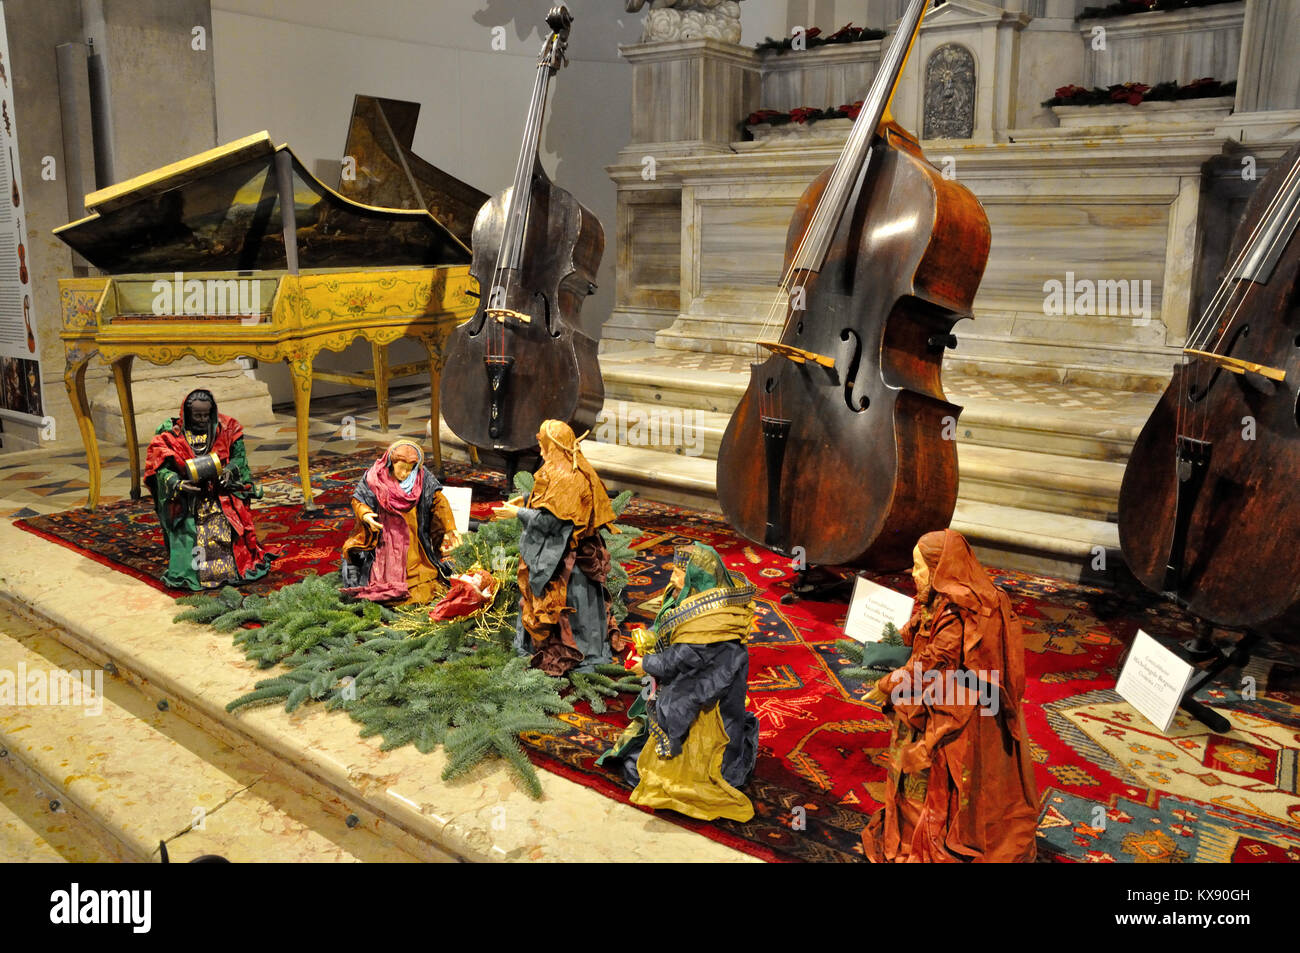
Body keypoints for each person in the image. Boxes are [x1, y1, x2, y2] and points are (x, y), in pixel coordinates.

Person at [862, 529, 1039, 863]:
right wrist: (892, 647)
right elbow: (920, 635)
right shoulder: (940, 599)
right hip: (939, 693)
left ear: (940, 569)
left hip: (955, 707)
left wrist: (888, 682)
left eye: (918, 568)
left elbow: (932, 666)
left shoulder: (961, 611)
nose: (912, 575)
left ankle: (931, 837)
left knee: (935, 776)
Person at [598, 543, 760, 823]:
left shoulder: (711, 622)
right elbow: (669, 631)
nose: (671, 577)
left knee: (644, 766)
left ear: (698, 576)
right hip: (698, 679)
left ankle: (691, 771)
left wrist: (645, 665)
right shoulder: (695, 598)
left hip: (708, 703)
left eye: (678, 571)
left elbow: (681, 659)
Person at [495, 420, 620, 676]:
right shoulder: (565, 467)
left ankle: (574, 648)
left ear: (553, 445)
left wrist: (517, 512)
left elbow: (551, 521)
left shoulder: (565, 477)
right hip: (574, 550)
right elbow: (550, 502)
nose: (539, 448)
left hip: (566, 559)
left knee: (566, 603)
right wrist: (528, 500)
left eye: (542, 443)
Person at [144, 388, 278, 590]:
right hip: (188, 498)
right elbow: (160, 468)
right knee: (192, 529)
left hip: (220, 494)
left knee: (224, 524)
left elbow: (238, 458)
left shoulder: (228, 427)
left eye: (207, 414)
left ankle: (230, 569)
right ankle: (193, 574)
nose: (202, 419)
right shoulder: (169, 434)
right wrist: (178, 484)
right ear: (186, 414)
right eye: (197, 415)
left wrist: (230, 471)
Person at [340, 438, 458, 604]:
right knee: (382, 571)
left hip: (412, 538)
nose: (404, 474)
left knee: (421, 579)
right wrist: (365, 514)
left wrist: (450, 527)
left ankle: (413, 582)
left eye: (409, 470)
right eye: (401, 468)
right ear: (391, 463)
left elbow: (439, 501)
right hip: (385, 537)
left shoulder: (422, 478)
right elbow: (359, 499)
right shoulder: (375, 477)